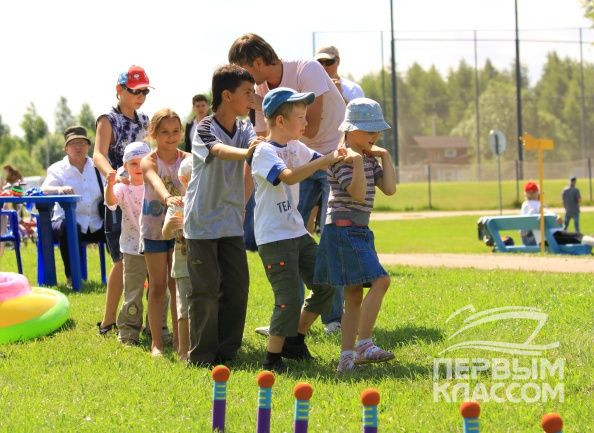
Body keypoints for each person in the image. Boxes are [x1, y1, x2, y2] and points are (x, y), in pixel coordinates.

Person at [229, 33, 347, 334]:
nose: (243, 79)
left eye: (244, 70)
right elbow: (262, 147)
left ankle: (334, 319)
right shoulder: (259, 90)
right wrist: (241, 204)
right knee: (287, 237)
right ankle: (286, 320)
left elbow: (312, 128)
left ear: (258, 62)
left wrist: (268, 108)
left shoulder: (307, 69)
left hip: (330, 158)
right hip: (298, 163)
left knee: (331, 236)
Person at [252, 88, 346, 373]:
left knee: (327, 284)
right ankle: (272, 360)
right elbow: (289, 177)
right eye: (301, 117)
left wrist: (346, 151)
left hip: (296, 233)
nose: (306, 122)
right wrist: (326, 160)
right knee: (290, 297)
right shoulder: (264, 152)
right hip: (274, 238)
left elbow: (325, 160)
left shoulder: (296, 147)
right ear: (281, 121)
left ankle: (294, 340)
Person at [314, 98, 397, 373]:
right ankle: (364, 343)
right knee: (381, 280)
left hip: (358, 230)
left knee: (353, 295)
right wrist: (359, 160)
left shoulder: (368, 158)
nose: (375, 137)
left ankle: (347, 358)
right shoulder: (342, 158)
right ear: (350, 130)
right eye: (369, 131)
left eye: (377, 132)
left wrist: (384, 156)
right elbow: (358, 194)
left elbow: (390, 189)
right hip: (343, 229)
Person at [184, 64, 259, 366]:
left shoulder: (245, 128)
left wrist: (241, 202)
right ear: (227, 96)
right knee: (205, 292)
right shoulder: (205, 127)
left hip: (231, 222)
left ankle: (228, 352)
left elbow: (256, 145)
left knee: (238, 287)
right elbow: (217, 151)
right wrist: (248, 153)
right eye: (247, 93)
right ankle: (202, 357)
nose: (252, 99)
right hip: (201, 223)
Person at [93, 65, 151, 336]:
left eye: (145, 92)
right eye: (135, 91)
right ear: (119, 90)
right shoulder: (108, 119)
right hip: (119, 196)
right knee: (121, 260)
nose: (141, 96)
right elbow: (98, 154)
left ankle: (151, 321)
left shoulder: (145, 121)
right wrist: (114, 176)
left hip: (146, 197)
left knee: (151, 258)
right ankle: (108, 322)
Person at [104, 141, 162, 346]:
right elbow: (111, 202)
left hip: (157, 246)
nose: (138, 168)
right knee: (133, 292)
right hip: (132, 249)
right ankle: (128, 332)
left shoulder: (157, 185)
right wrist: (110, 184)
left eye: (141, 162)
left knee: (158, 290)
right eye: (133, 163)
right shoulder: (122, 188)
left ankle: (157, 329)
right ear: (125, 166)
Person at [141, 108, 188, 357]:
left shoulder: (188, 159)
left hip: (180, 230)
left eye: (175, 131)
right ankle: (157, 343)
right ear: (153, 134)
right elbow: (155, 180)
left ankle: (181, 343)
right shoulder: (149, 161)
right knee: (158, 286)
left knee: (177, 284)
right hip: (154, 230)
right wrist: (168, 198)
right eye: (164, 132)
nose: (171, 137)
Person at [41, 126, 105, 287]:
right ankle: (72, 278)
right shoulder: (57, 169)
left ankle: (126, 274)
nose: (78, 147)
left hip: (96, 222)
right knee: (70, 227)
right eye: (73, 143)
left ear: (88, 146)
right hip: (65, 222)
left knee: (117, 226)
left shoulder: (98, 166)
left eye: (82, 143)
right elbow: (44, 189)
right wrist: (59, 189)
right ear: (66, 148)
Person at [161, 156, 192, 361]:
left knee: (205, 305)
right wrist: (170, 225)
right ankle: (183, 351)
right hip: (182, 264)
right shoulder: (178, 204)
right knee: (184, 309)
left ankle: (201, 346)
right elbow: (165, 234)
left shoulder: (208, 202)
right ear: (183, 179)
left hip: (205, 264)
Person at [521, 181, 593, 247]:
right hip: (546, 239)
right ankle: (590, 239)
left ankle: (589, 239)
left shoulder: (524, 205)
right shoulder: (536, 204)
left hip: (536, 240)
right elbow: (542, 210)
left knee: (575, 236)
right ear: (538, 192)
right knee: (577, 236)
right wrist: (556, 216)